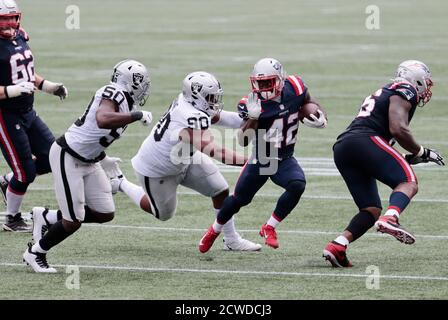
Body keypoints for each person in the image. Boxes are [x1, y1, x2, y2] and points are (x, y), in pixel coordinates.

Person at [23, 59, 152, 273]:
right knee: (73, 221)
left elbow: (93, 134)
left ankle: (45, 216)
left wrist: (103, 158)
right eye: (140, 81)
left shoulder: (127, 101)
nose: (143, 86)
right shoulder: (114, 92)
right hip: (68, 156)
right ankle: (35, 252)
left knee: (104, 212)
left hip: (89, 160)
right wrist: (135, 116)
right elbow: (102, 119)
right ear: (128, 80)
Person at [199, 58, 328, 253]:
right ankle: (214, 230)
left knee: (297, 185)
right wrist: (253, 118)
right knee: (239, 200)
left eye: (268, 82)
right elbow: (242, 140)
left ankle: (269, 227)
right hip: (261, 159)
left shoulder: (295, 86)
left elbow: (309, 102)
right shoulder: (251, 103)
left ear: (280, 79)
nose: (264, 87)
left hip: (285, 158)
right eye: (260, 83)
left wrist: (319, 115)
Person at [323, 60, 444, 268]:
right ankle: (391, 219)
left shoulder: (387, 89)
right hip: (366, 141)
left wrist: (412, 157)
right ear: (416, 79)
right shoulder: (406, 89)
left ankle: (337, 245)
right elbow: (398, 129)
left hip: (345, 147)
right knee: (408, 181)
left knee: (370, 210)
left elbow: (382, 153)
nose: (426, 87)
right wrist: (421, 151)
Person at [126, 71, 262, 251]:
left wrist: (255, 117)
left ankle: (231, 239)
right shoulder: (190, 114)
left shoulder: (190, 103)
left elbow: (220, 117)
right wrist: (253, 161)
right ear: (197, 95)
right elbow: (215, 150)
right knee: (162, 214)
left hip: (183, 156)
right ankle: (120, 182)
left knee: (220, 189)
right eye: (211, 97)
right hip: (157, 169)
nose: (214, 101)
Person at [0, 0, 68, 232]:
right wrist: (12, 90)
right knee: (26, 173)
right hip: (5, 116)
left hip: (27, 111)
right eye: (3, 19)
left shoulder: (20, 37)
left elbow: (25, 72)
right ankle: (12, 218)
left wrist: (47, 85)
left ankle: (9, 180)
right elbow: (15, 82)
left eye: (12, 18)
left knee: (54, 156)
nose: (9, 23)